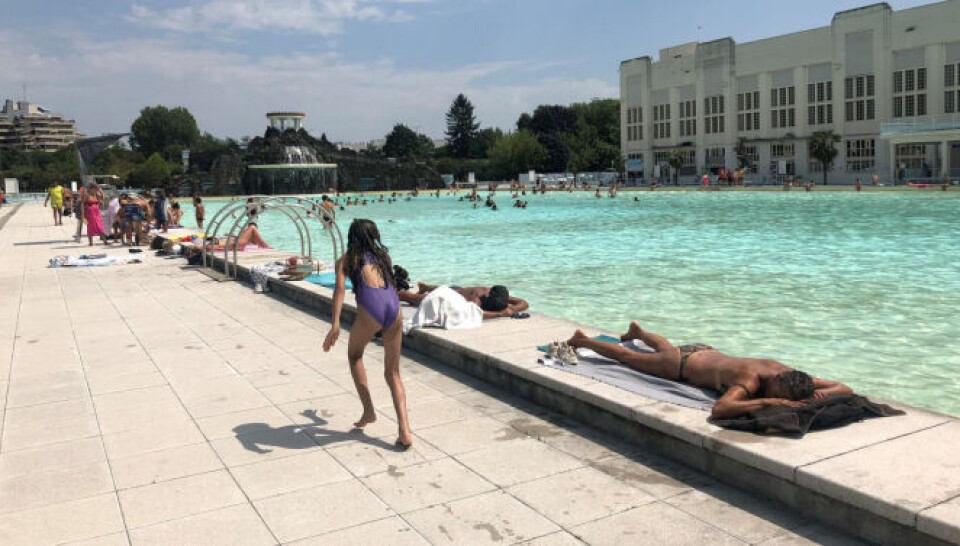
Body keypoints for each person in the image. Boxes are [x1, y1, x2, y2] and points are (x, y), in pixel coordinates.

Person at [566, 321, 853, 419]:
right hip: (681, 365)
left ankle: (639, 331)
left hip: (703, 351)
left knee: (665, 347)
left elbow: (844, 387)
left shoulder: (791, 375)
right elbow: (720, 409)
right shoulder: (750, 380)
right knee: (627, 358)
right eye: (780, 393)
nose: (778, 395)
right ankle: (582, 339)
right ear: (778, 382)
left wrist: (816, 397)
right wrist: (770, 401)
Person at [322, 219, 412, 449]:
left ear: (351, 237)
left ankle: (369, 411)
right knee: (393, 373)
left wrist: (335, 324)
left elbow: (340, 290)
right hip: (395, 309)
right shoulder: (383, 258)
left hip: (372, 310)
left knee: (355, 355)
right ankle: (405, 430)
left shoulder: (346, 260)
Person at [399, 282, 529, 320]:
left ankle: (426, 287)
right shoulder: (476, 299)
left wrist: (513, 309)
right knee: (411, 298)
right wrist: (500, 314)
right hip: (447, 296)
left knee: (452, 289)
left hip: (457, 290)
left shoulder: (497, 294)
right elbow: (476, 313)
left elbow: (524, 302)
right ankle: (393, 293)